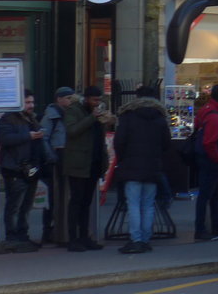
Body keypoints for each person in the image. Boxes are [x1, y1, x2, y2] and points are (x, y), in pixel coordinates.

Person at [113, 86, 171, 254]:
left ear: (136, 97)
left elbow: (119, 142)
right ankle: (145, 239)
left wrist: (124, 159)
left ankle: (136, 239)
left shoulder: (128, 116)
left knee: (134, 204)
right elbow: (166, 143)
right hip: (153, 167)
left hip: (131, 166)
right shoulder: (160, 117)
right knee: (148, 205)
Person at [63, 86, 115, 252]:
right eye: (94, 100)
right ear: (86, 99)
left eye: (99, 100)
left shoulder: (96, 113)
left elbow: (100, 138)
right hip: (78, 164)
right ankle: (73, 238)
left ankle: (85, 237)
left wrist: (107, 121)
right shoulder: (73, 110)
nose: (97, 103)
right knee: (76, 201)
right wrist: (92, 118)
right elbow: (72, 131)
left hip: (93, 163)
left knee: (86, 203)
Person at [0, 93, 46, 252]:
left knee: (26, 205)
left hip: (30, 168)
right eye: (27, 102)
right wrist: (28, 136)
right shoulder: (8, 118)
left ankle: (23, 236)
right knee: (14, 205)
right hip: (15, 168)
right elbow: (5, 139)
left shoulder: (32, 118)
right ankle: (12, 238)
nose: (31, 105)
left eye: (32, 102)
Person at [193, 84, 218, 241]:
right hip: (211, 159)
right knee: (210, 195)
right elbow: (210, 142)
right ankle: (205, 228)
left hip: (205, 158)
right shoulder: (215, 116)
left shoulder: (205, 110)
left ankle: (214, 226)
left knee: (211, 195)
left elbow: (197, 127)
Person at [40, 86, 74, 246]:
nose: (70, 101)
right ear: (59, 99)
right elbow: (43, 138)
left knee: (63, 196)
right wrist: (51, 157)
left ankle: (60, 230)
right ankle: (48, 231)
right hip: (55, 159)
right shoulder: (51, 116)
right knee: (53, 198)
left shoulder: (70, 114)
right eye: (68, 98)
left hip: (66, 158)